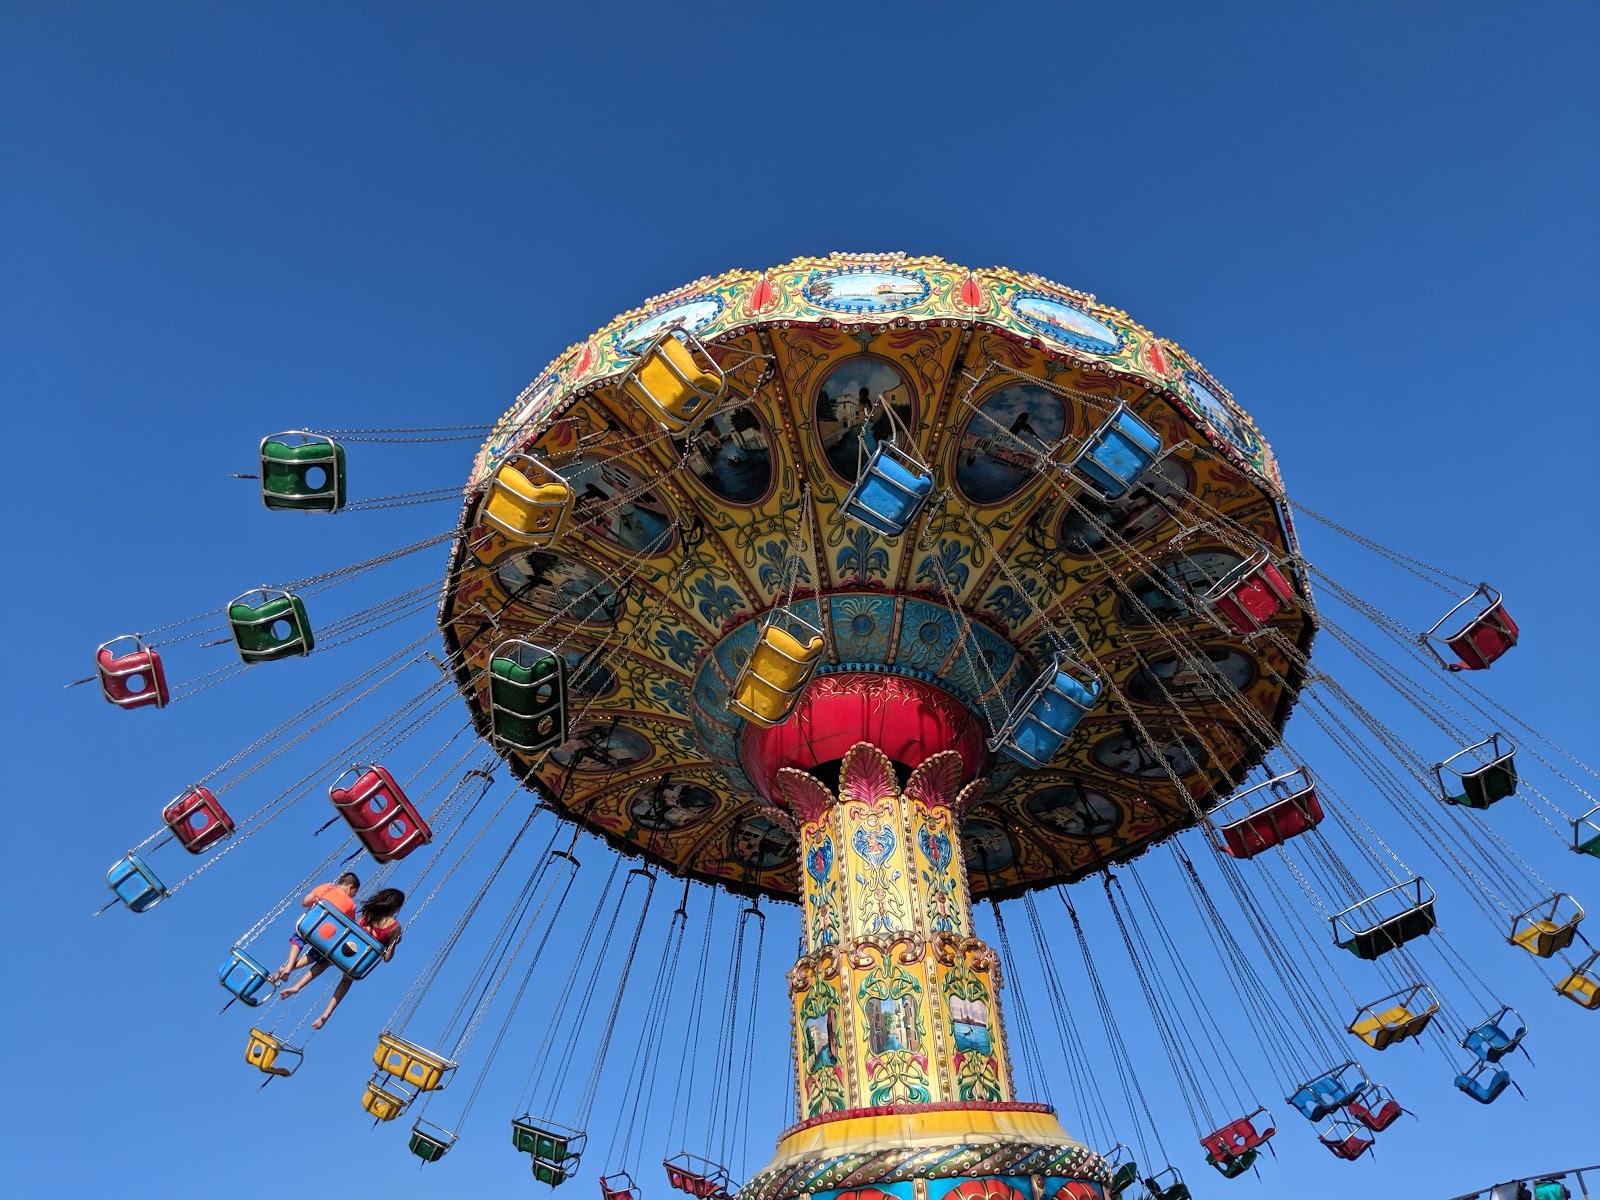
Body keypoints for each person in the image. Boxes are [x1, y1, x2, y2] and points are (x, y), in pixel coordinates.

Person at [279, 888, 405, 1029]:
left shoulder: (369, 911)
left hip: (345, 947)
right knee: (346, 979)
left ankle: (296, 984)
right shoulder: (395, 927)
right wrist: (394, 943)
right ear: (396, 906)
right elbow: (387, 958)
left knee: (325, 960)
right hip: (357, 960)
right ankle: (327, 1012)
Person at [268, 872, 359, 984]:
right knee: (319, 953)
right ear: (351, 887)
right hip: (323, 937)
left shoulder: (326, 887)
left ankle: (289, 965)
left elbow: (305, 902)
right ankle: (289, 969)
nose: (354, 896)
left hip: (308, 927)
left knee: (298, 939)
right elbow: (350, 927)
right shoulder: (351, 905)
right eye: (355, 893)